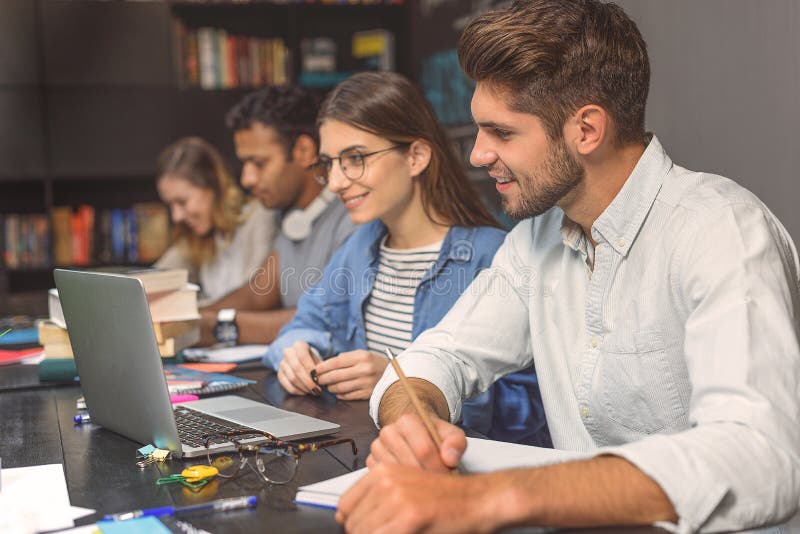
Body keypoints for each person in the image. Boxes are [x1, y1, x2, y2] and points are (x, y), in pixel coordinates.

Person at [337, 1, 800, 533]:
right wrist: (412, 422)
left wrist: (491, 498)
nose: (477, 155)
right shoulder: (537, 238)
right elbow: (439, 355)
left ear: (585, 130)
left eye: (501, 133)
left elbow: (762, 456)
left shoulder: (722, 230)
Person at [263, 72, 550, 446]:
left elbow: (536, 406)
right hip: (370, 450)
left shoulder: (495, 254)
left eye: (355, 158)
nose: (335, 182)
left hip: (461, 468)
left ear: (416, 157)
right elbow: (300, 325)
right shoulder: (359, 247)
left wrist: (407, 386)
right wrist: (295, 351)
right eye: (329, 163)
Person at [197, 86, 357, 346]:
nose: (246, 179)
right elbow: (258, 294)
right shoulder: (290, 216)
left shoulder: (352, 216)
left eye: (259, 163)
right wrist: (191, 320)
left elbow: (328, 318)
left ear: (304, 151)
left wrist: (216, 327)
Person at [154, 136, 276, 304]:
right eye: (171, 205)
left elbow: (254, 299)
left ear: (213, 187)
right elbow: (153, 282)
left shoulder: (260, 218)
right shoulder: (198, 237)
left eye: (182, 202)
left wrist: (198, 313)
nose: (176, 216)